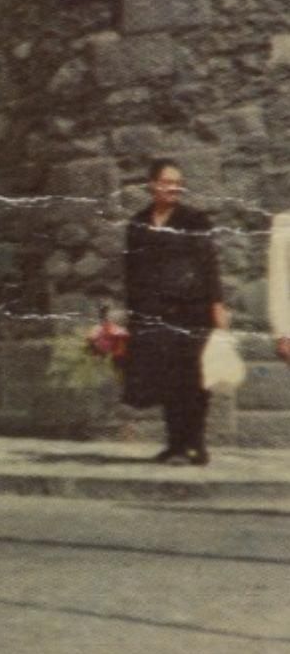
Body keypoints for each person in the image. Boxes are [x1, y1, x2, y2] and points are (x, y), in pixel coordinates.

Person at [121, 158, 228, 466]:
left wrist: (217, 305)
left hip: (191, 311)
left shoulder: (194, 220)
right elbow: (132, 272)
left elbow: (209, 266)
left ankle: (195, 445)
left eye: (178, 182)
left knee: (193, 379)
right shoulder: (137, 223)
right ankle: (174, 444)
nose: (174, 187)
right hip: (155, 315)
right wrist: (134, 316)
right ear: (152, 185)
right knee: (165, 380)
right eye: (168, 182)